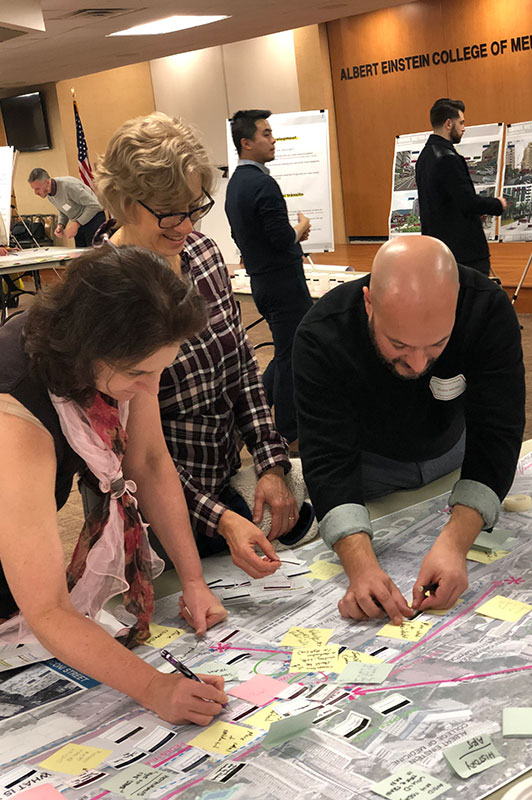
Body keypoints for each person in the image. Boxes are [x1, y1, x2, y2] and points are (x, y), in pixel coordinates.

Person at [0, 245, 228, 725]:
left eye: (161, 369)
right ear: (89, 351)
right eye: (140, 374)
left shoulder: (120, 355)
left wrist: (193, 581)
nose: (151, 389)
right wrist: (153, 686)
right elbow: (44, 608)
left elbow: (148, 460)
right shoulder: (15, 421)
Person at [94, 112, 315, 585]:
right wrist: (218, 516)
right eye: (169, 210)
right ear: (123, 200)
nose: (186, 224)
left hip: (220, 482)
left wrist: (271, 463)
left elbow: (239, 369)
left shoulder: (203, 254)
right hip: (151, 516)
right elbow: (133, 458)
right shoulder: (104, 290)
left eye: (195, 206)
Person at [293, 235, 525, 625]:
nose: (419, 365)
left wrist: (454, 542)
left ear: (457, 304)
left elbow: (498, 430)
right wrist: (361, 566)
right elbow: (328, 457)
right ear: (369, 303)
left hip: (454, 455)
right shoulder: (321, 335)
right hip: (371, 469)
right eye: (398, 344)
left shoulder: (487, 308)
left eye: (437, 344)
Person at [225, 109, 313, 444]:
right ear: (246, 143)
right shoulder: (263, 183)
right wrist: (300, 230)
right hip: (283, 283)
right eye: (266, 134)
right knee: (294, 357)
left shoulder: (236, 184)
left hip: (262, 281)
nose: (273, 140)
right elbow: (279, 239)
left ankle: (247, 415)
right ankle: (290, 433)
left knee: (286, 352)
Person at [415, 98, 507, 276]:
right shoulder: (447, 158)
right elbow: (467, 202)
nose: (464, 128)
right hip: (463, 253)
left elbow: (445, 201)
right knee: (473, 301)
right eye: (461, 122)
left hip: (438, 248)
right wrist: (497, 204)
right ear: (449, 123)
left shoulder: (424, 157)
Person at [28, 168, 105, 247]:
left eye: (37, 189)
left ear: (47, 182)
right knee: (82, 256)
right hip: (80, 224)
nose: (35, 193)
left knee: (95, 256)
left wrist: (76, 224)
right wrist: (61, 225)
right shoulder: (49, 194)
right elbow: (63, 209)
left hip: (94, 220)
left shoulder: (69, 186)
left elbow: (95, 205)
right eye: (34, 189)